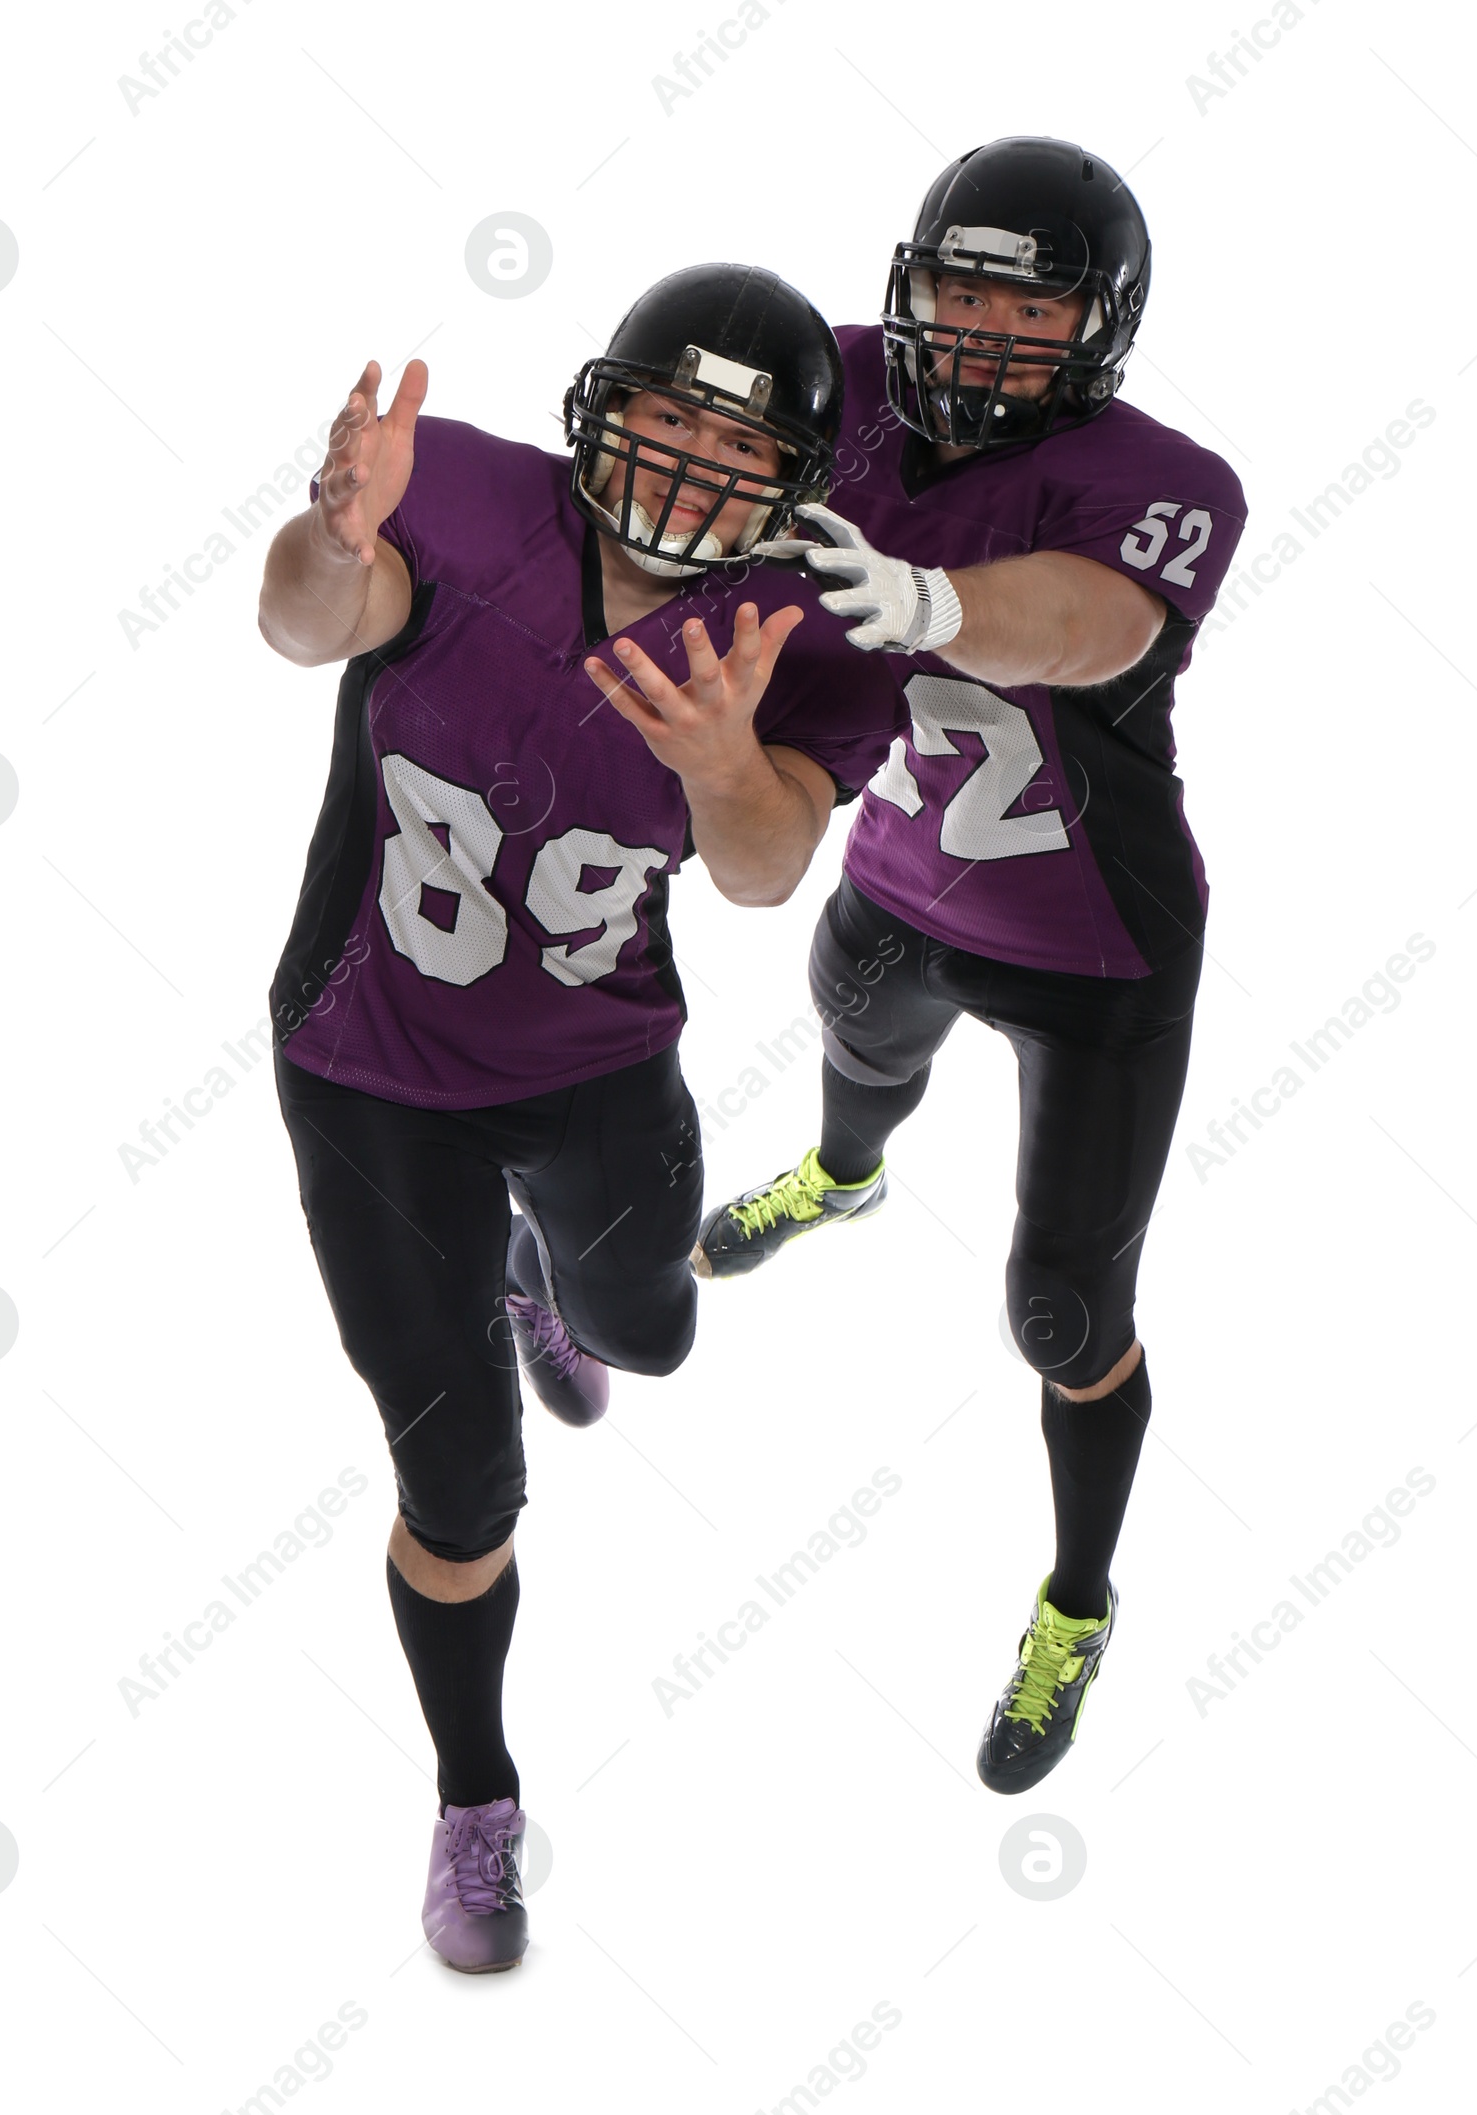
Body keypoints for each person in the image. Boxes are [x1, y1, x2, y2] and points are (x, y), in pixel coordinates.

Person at [256, 264, 904, 1971]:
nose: (689, 463)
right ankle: (478, 1800)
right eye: (667, 415)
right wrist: (333, 533)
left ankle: (547, 1273)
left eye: (733, 439)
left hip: (598, 1059)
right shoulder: (465, 488)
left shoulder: (803, 625)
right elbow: (306, 619)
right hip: (372, 1062)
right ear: (601, 409)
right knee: (461, 1486)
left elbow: (763, 875)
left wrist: (718, 760)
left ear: (795, 489)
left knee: (657, 1336)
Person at [692, 139, 1249, 1793]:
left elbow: (1091, 623)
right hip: (895, 872)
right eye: (962, 285)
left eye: (1033, 296)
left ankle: (1079, 1599)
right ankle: (844, 1186)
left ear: (1104, 321)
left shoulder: (1169, 479)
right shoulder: (833, 382)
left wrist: (930, 597)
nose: (988, 324)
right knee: (854, 1052)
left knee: (1065, 1312)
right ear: (909, 281)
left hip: (1095, 943)